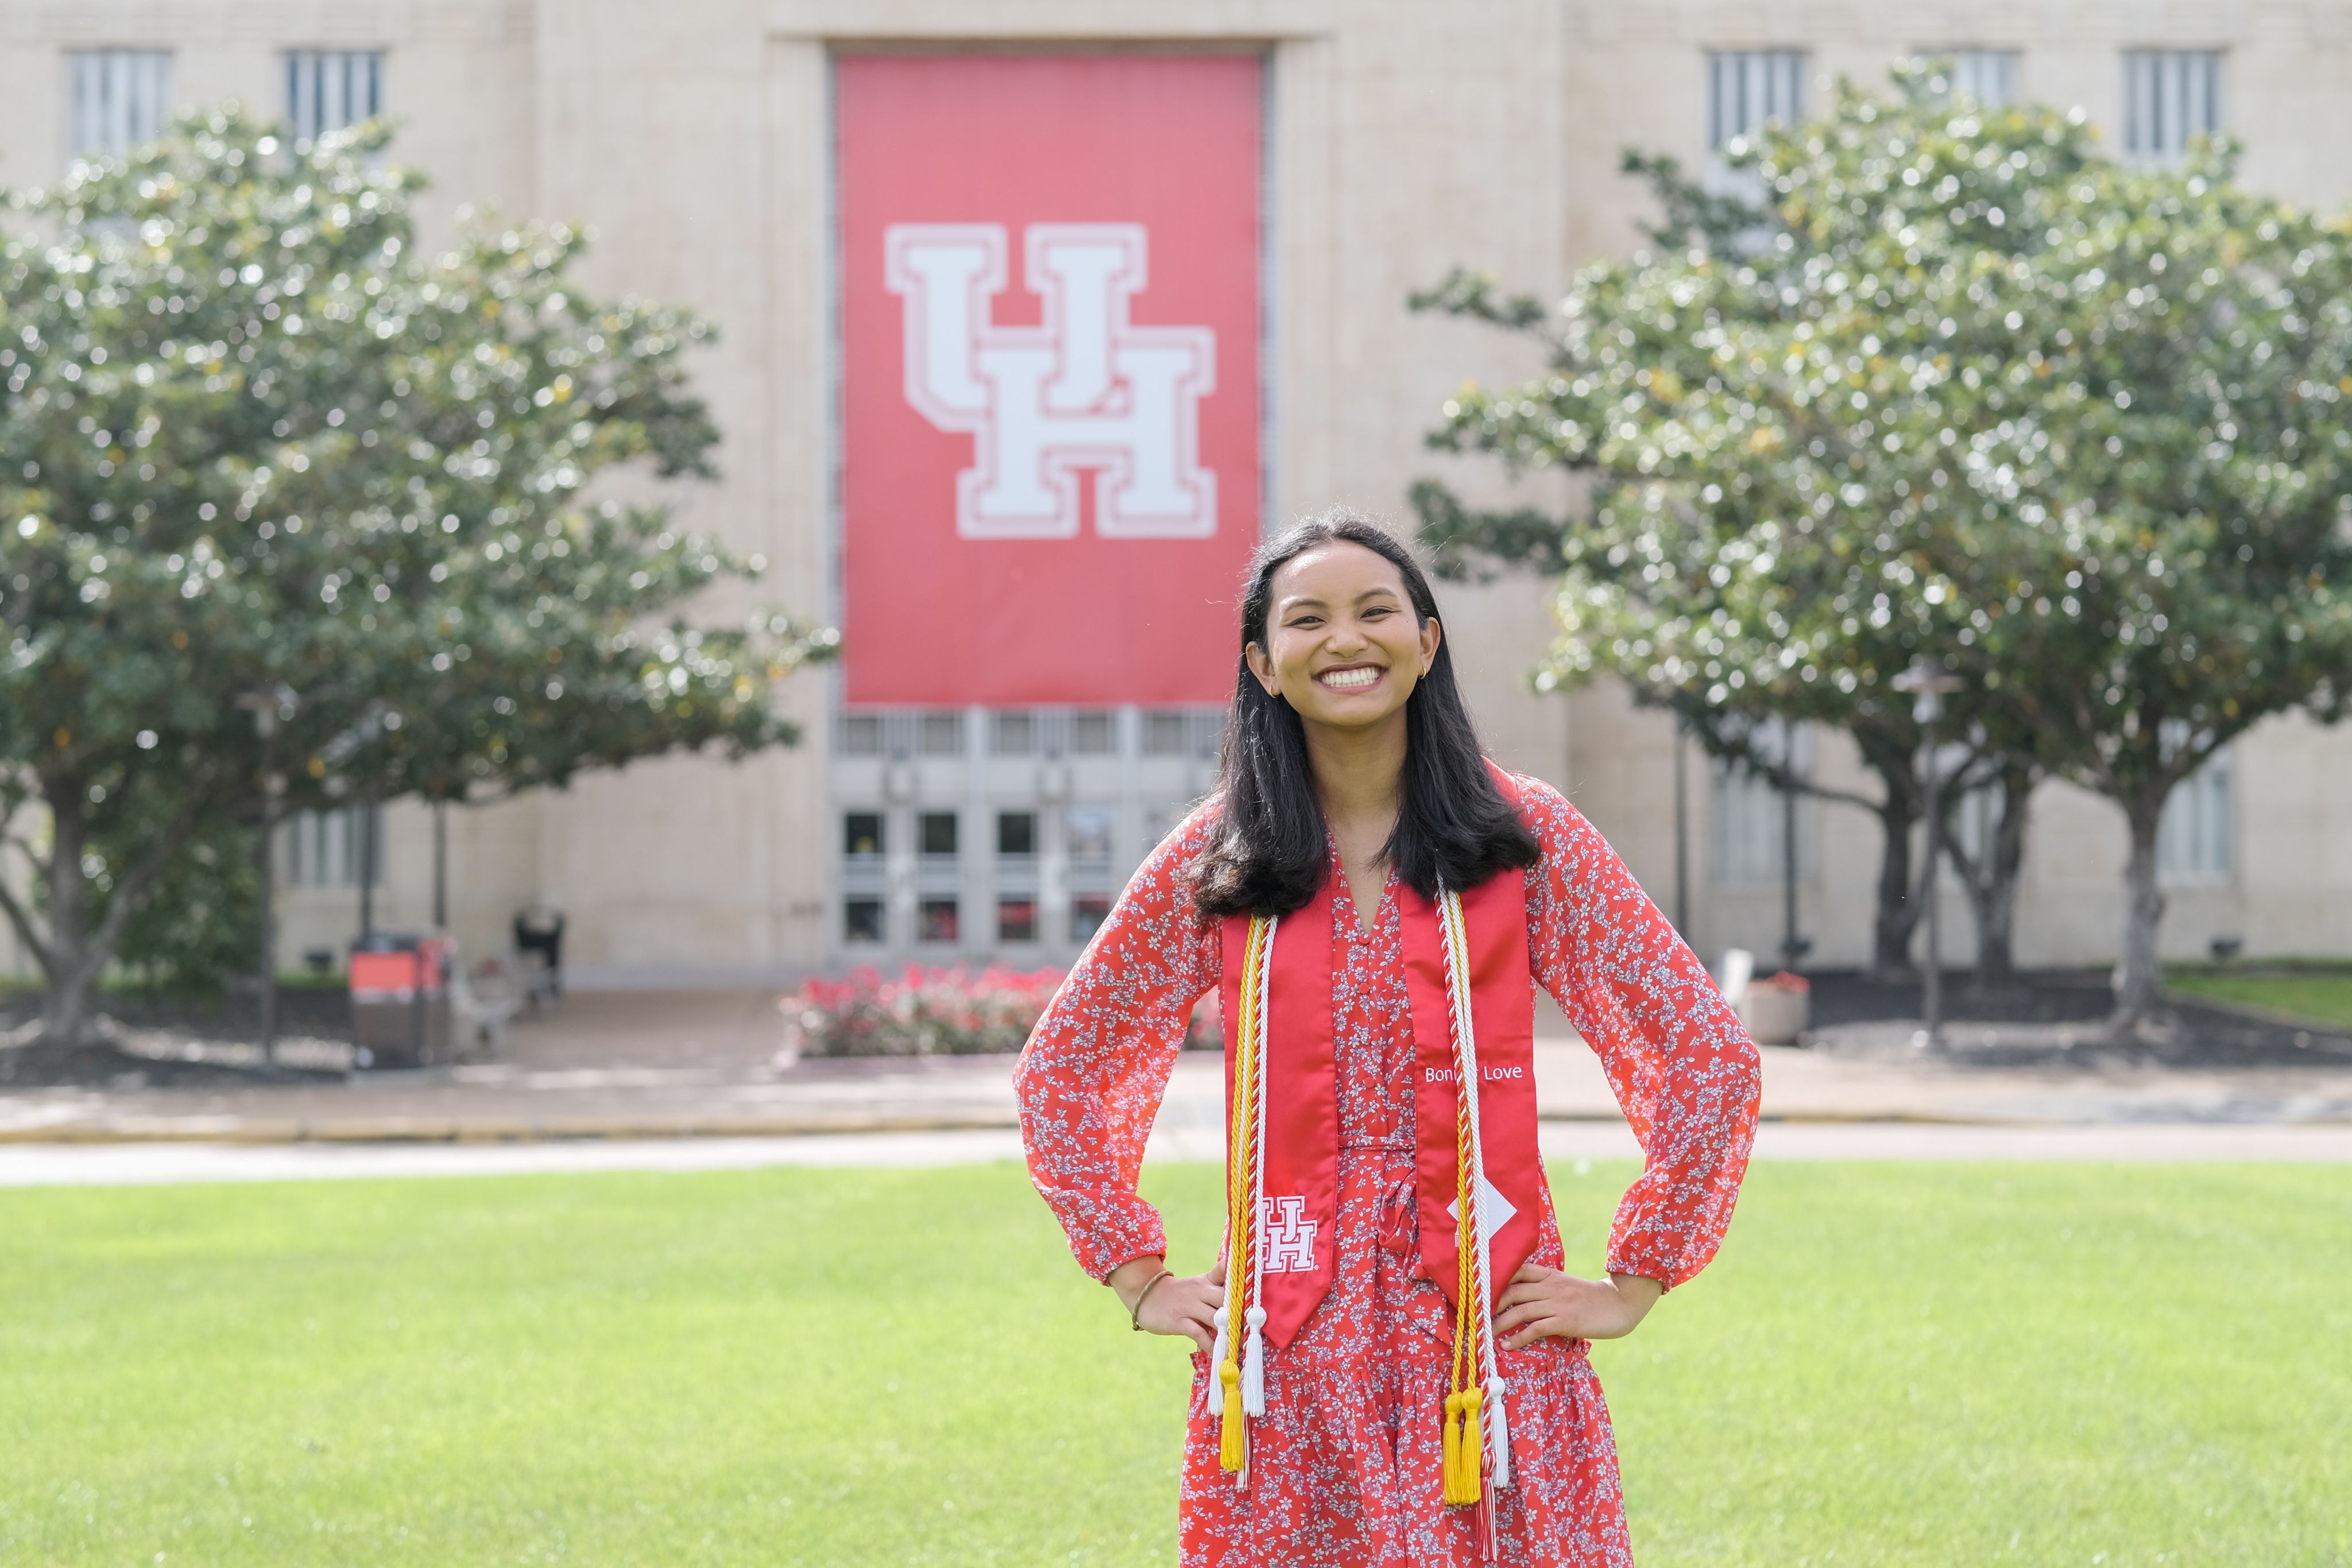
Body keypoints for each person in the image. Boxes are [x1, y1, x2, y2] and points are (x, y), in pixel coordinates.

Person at [1015, 510, 1761, 1566]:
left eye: (1377, 611)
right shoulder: (1222, 858)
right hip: (1290, 1328)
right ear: (1264, 665)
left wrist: (1637, 1278)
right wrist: (1136, 1274)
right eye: (1307, 619)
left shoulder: (1521, 841)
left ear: (1428, 640)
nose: (1346, 639)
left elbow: (1705, 1053)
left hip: (1487, 1324)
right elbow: (1063, 1070)